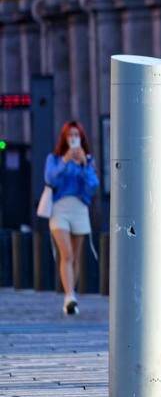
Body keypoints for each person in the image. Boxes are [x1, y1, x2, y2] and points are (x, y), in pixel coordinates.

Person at [45, 121, 99, 315]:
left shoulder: (88, 159)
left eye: (76, 135)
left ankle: (71, 294)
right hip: (59, 209)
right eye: (70, 135)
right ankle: (69, 296)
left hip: (79, 208)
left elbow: (93, 186)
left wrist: (84, 165)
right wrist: (65, 160)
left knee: (75, 256)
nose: (73, 138)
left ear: (81, 138)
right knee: (66, 253)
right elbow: (50, 178)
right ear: (64, 138)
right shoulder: (54, 158)